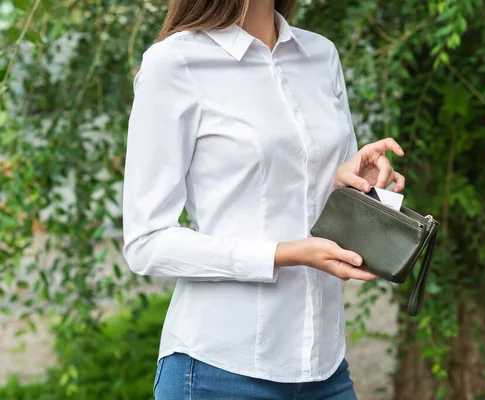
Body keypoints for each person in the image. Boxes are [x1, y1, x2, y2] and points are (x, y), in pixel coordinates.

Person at [122, 0, 405, 398]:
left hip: (324, 371)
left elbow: (315, 204)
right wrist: (284, 253)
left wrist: (352, 185)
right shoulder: (174, 64)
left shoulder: (320, 54)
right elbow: (146, 243)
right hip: (217, 372)